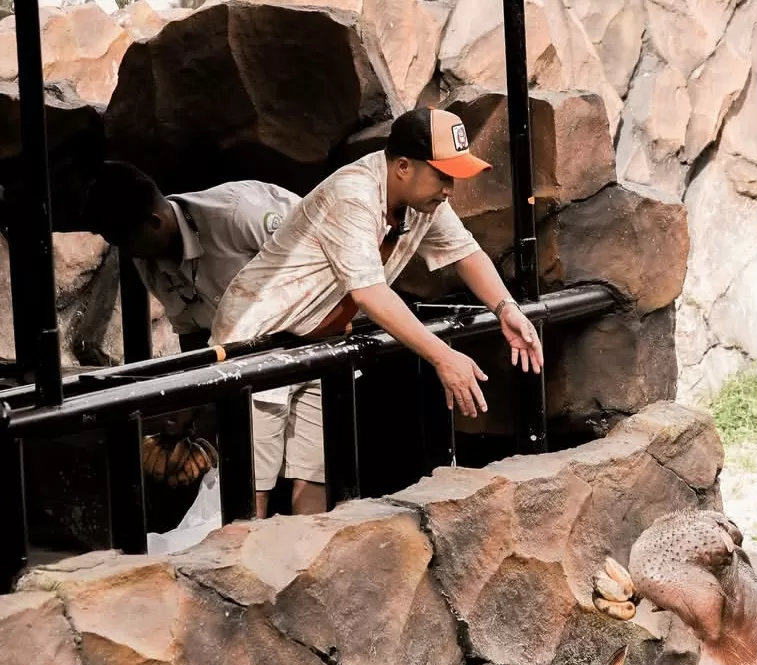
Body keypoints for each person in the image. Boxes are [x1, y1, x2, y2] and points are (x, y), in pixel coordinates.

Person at [210, 106, 544, 518]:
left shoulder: (425, 204)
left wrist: (505, 308)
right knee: (252, 495)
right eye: (442, 176)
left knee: (314, 483)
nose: (450, 189)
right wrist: (442, 356)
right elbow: (370, 293)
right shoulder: (355, 195)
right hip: (259, 343)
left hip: (318, 344)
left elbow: (466, 252)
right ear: (404, 166)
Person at [83, 161, 301, 352]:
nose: (129, 253)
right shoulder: (149, 262)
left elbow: (316, 265)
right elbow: (191, 333)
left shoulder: (237, 214)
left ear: (155, 222)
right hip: (251, 363)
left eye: (128, 243)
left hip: (308, 342)